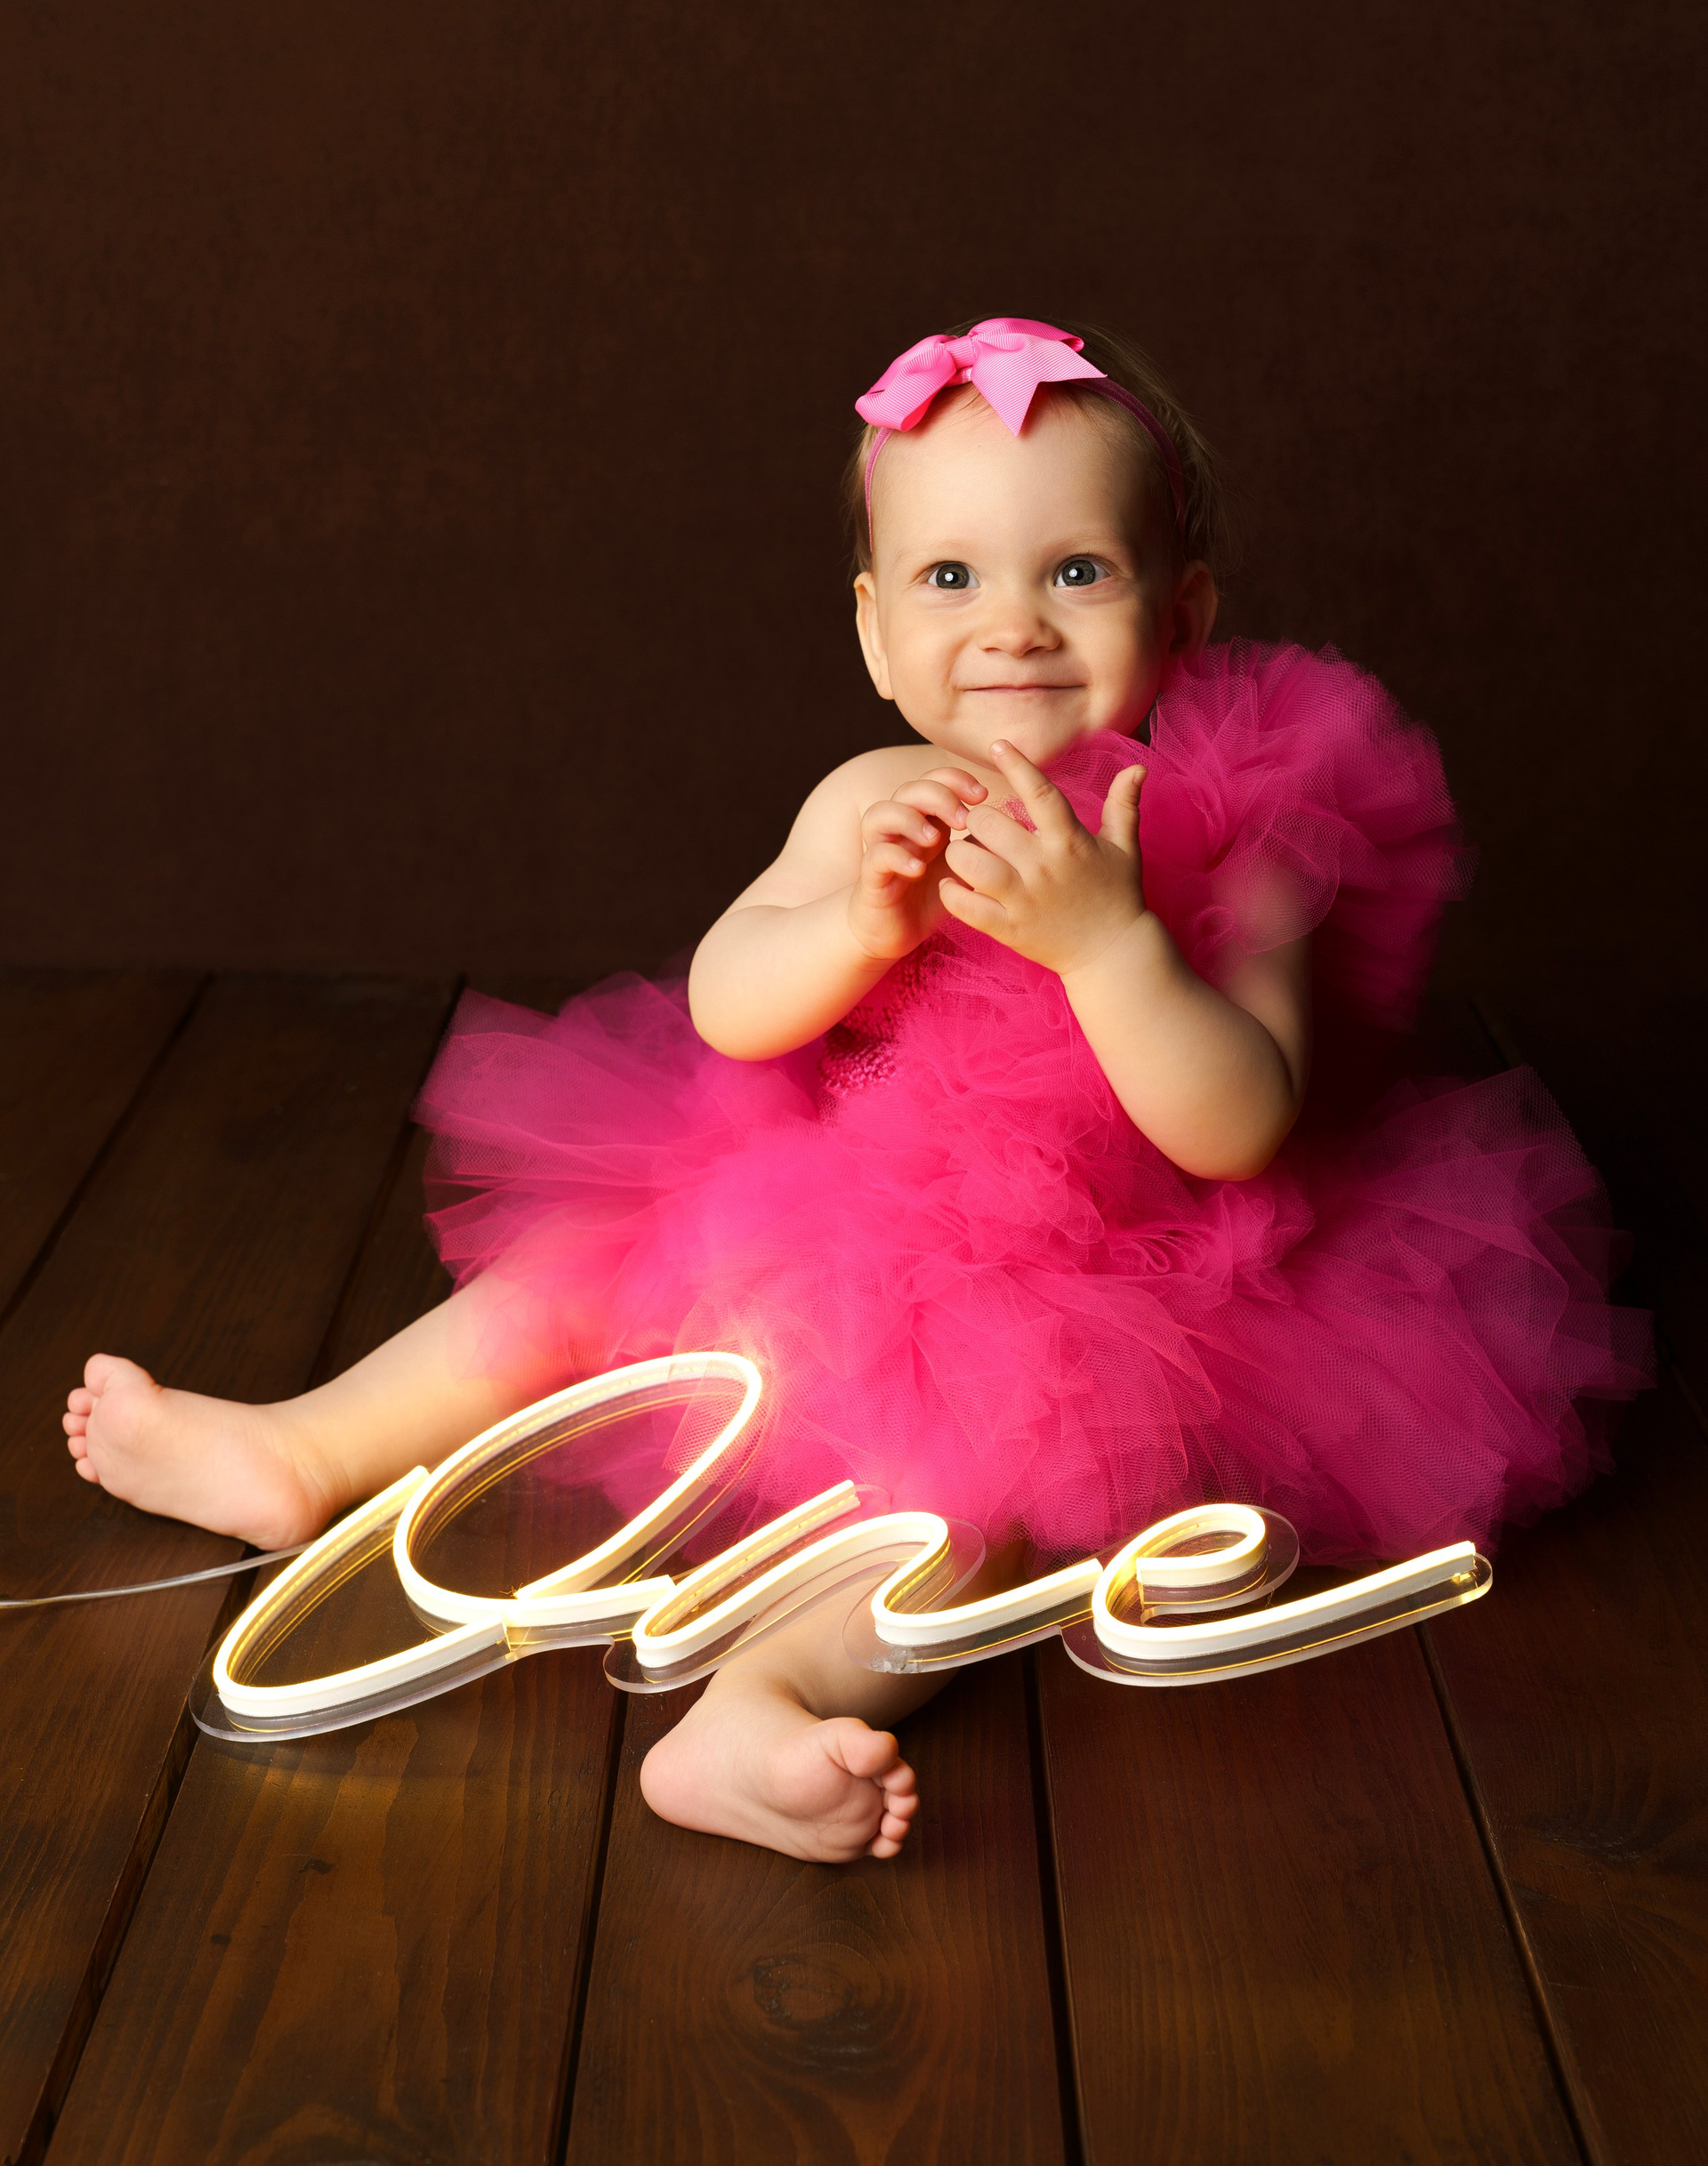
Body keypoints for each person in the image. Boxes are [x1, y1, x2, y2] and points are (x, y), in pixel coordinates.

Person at [63, 316, 1650, 1864]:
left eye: (1076, 572)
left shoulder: (1245, 837)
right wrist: (853, 929)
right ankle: (307, 1451)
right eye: (952, 578)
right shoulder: (874, 798)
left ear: (1184, 614)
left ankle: (765, 1704)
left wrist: (1109, 948)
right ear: (878, 634)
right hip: (815, 1228)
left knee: (989, 1501)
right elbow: (728, 1002)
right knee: (567, 1274)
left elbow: (1241, 1125)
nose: (1013, 626)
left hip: (1099, 1296)